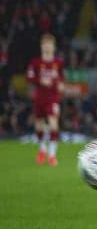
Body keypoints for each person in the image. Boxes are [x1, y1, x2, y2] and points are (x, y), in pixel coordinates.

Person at [26, 34, 64, 166]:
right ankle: (42, 149)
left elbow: (62, 79)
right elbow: (29, 77)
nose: (47, 47)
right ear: (41, 46)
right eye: (45, 44)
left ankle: (52, 155)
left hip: (53, 98)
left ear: (54, 47)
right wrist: (40, 80)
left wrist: (60, 85)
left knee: (54, 124)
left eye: (50, 44)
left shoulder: (58, 63)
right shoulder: (35, 63)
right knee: (39, 125)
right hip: (39, 97)